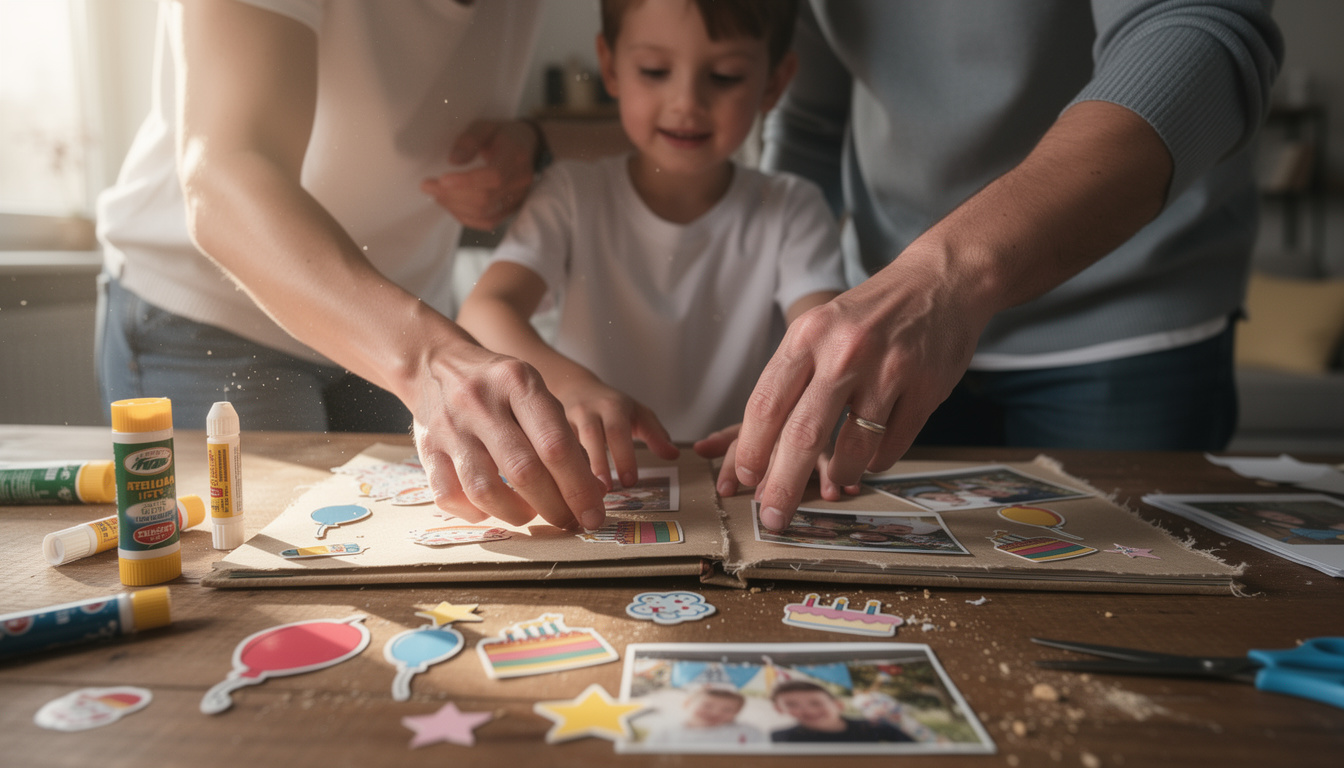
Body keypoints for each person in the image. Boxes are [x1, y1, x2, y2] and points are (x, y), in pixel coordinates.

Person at [703, 1, 1284, 531]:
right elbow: (812, 123)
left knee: (1132, 598)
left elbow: (1196, 39)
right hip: (894, 333)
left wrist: (945, 276)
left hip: (1128, 314)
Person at [95, 0, 606, 530]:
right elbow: (223, 178)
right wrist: (429, 357)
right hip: (215, 311)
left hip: (398, 313)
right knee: (253, 568)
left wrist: (535, 141)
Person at [457, 0, 847, 491]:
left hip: (742, 480)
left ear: (774, 81)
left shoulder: (794, 208)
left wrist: (796, 425)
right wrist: (572, 386)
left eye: (725, 76)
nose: (687, 102)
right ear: (610, 67)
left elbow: (826, 344)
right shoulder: (571, 193)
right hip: (603, 480)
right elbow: (483, 310)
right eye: (654, 70)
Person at [769, 681, 913, 743]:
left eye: (816, 703)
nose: (808, 710)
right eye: (792, 705)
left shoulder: (875, 727)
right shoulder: (781, 738)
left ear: (838, 705)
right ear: (779, 710)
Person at [644, 686, 766, 746]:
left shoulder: (747, 732)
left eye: (727, 710)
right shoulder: (667, 733)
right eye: (707, 706)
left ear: (737, 713)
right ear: (687, 704)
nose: (716, 713)